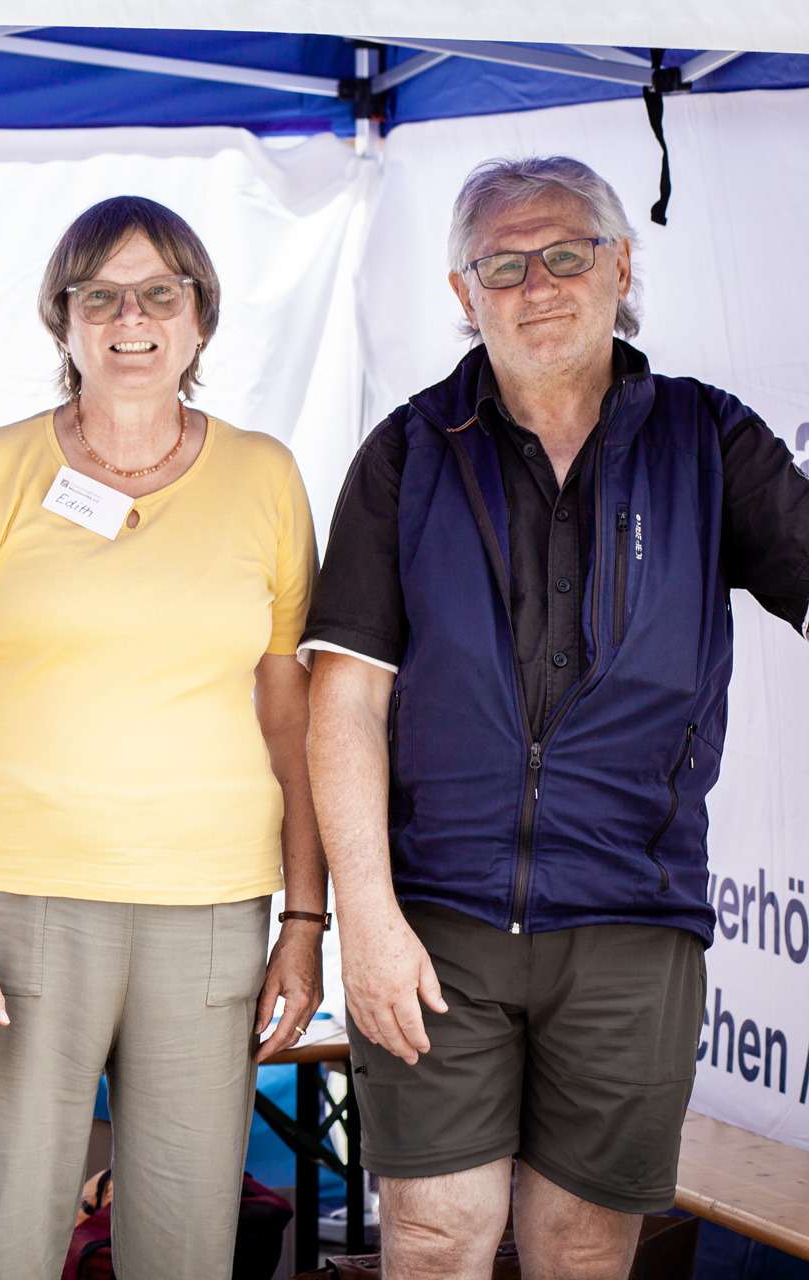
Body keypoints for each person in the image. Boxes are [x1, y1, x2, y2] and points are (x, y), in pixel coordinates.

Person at [305, 155, 809, 1280]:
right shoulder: (405, 451)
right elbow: (346, 698)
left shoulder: (707, 440)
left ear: (621, 264)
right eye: (503, 262)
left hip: (632, 914)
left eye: (567, 252)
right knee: (435, 1236)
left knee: (584, 1247)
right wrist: (366, 917)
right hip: (437, 917)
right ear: (461, 290)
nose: (538, 283)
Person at [0, 194, 330, 1280]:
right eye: (101, 295)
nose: (130, 318)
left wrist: (306, 916)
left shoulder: (266, 475)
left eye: (159, 293)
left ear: (200, 320)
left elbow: (293, 715)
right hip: (19, 914)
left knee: (184, 1249)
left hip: (215, 912)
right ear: (65, 320)